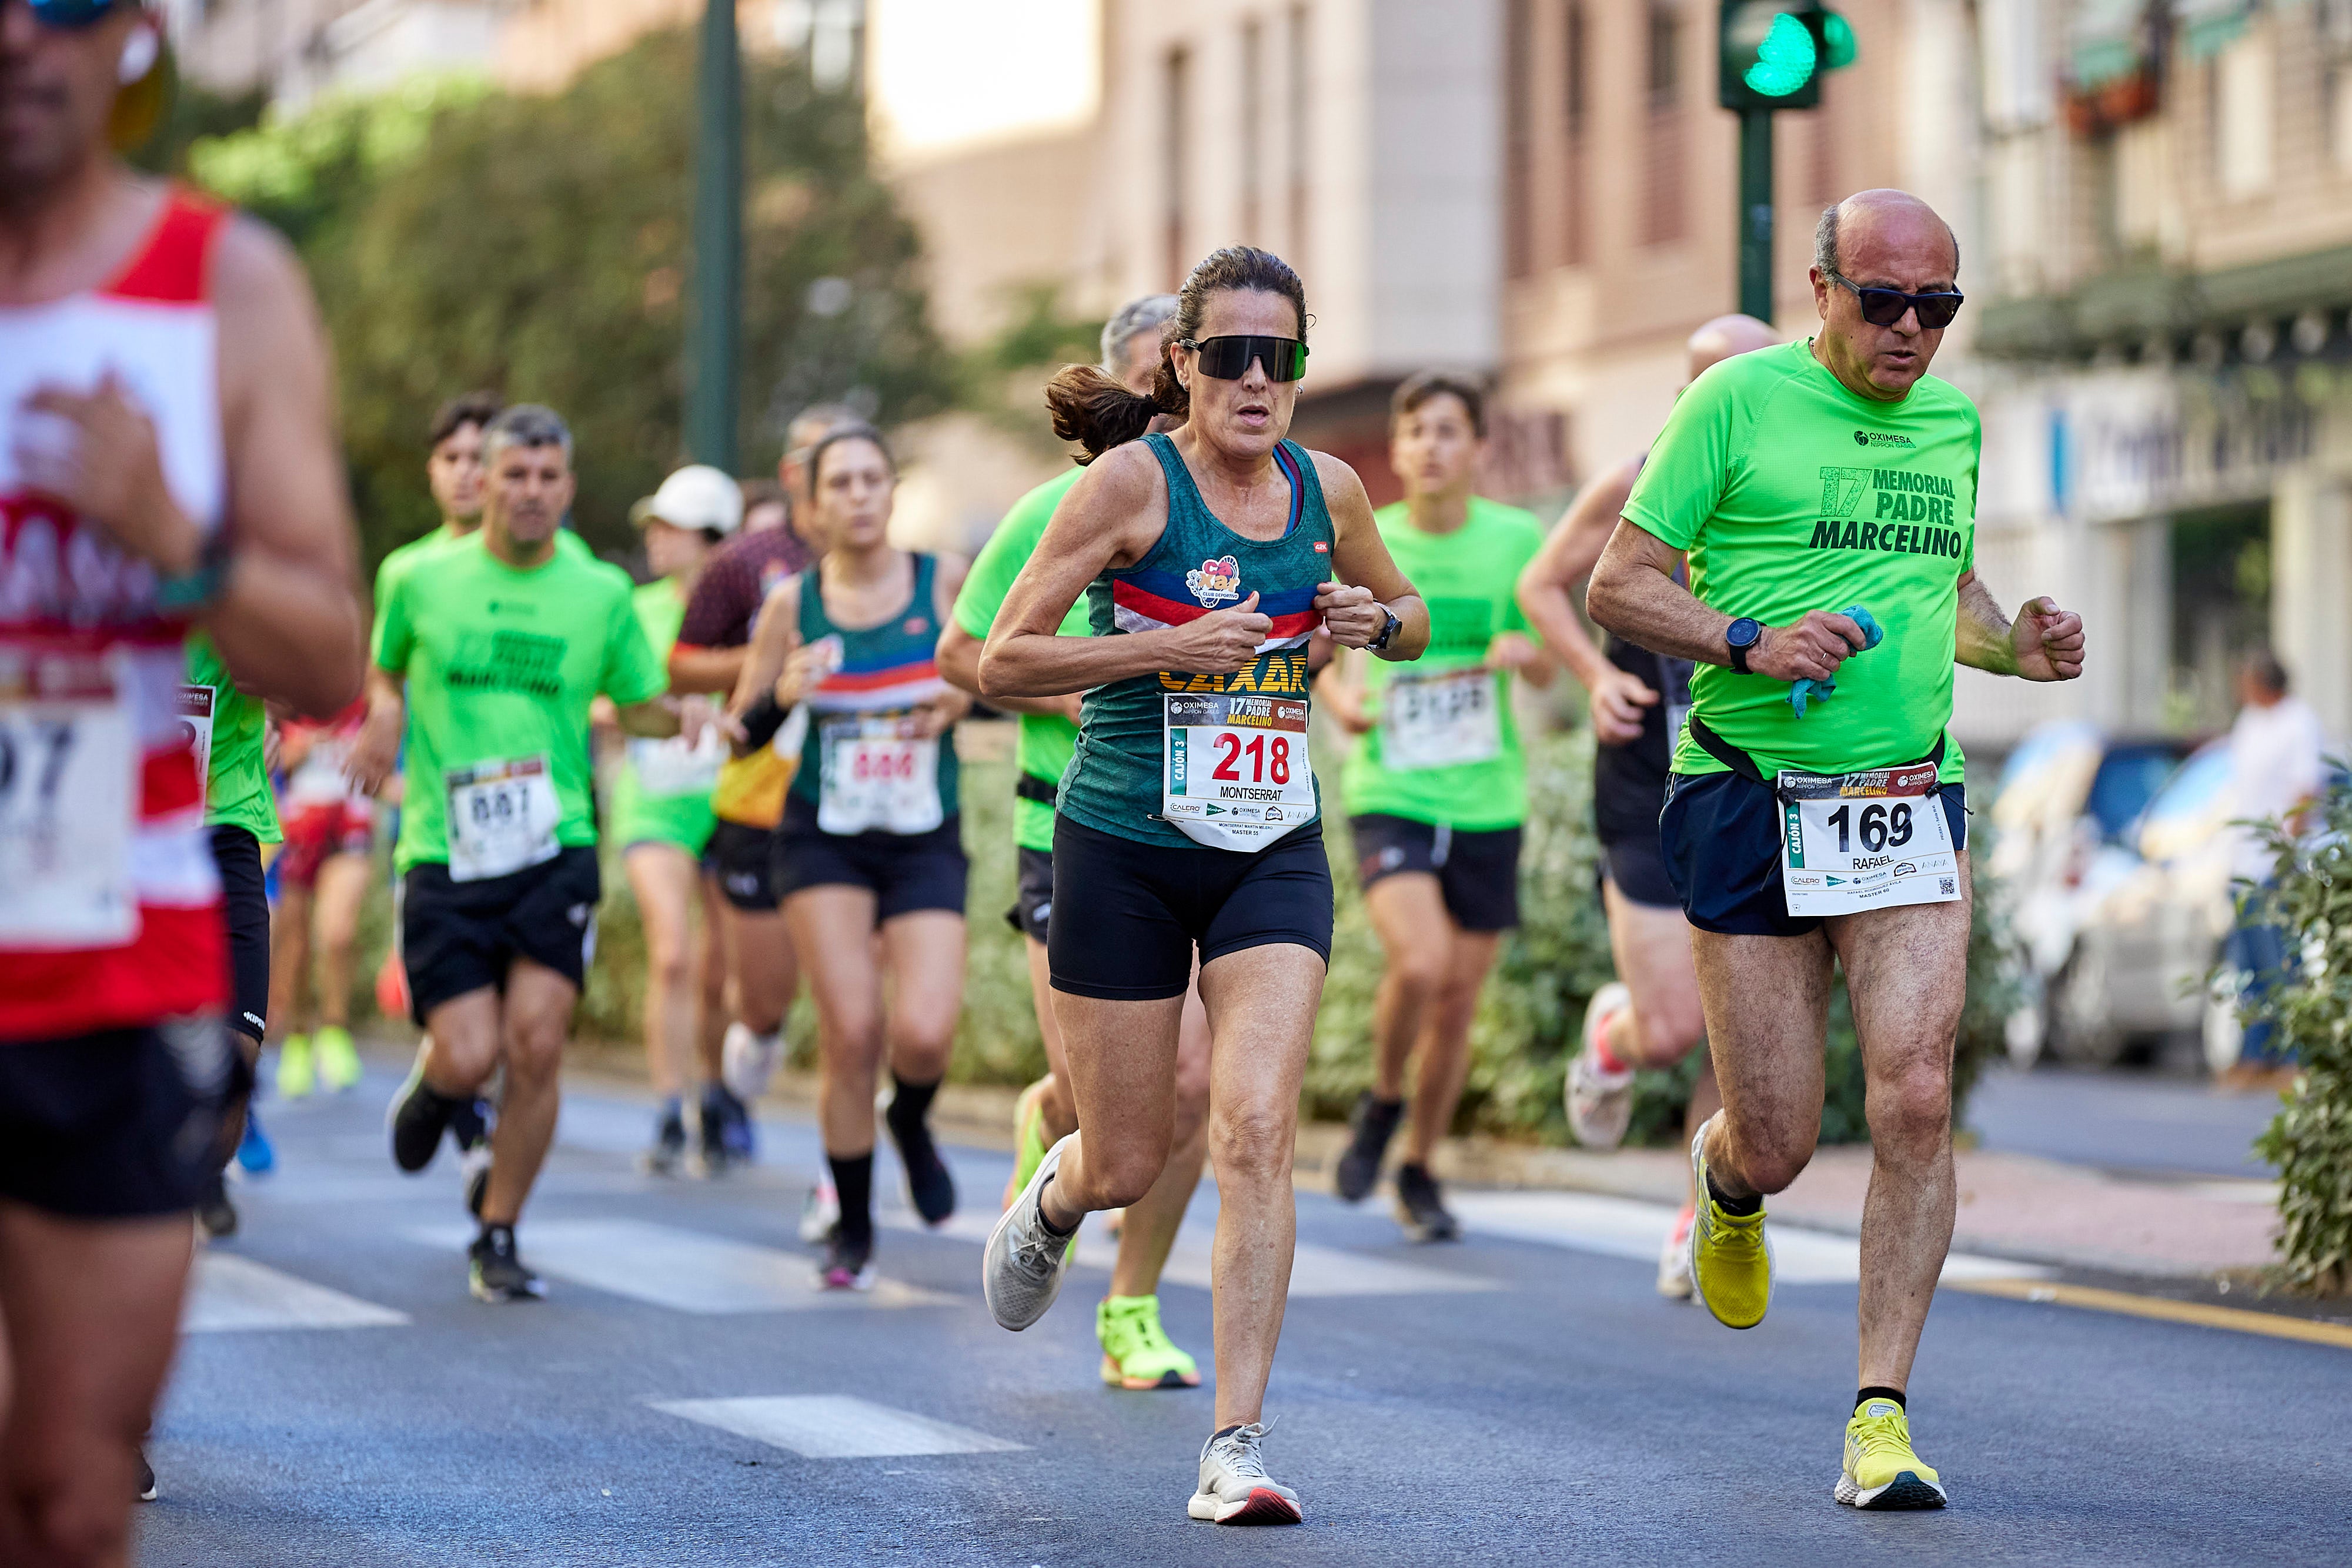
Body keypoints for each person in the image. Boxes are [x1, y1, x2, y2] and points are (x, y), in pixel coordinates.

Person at [1586, 190, 2086, 1512]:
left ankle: (1879, 1414)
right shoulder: (1733, 404)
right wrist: (1747, 643)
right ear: (1820, 291)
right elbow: (1617, 584)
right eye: (1883, 301)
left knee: (1914, 1093)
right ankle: (1725, 1176)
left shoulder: (1954, 421)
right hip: (1746, 791)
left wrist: (2011, 644)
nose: (1910, 331)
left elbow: (1946, 589)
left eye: (1938, 306)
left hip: (1901, 799)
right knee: (1783, 1134)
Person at [977, 246, 1429, 1525]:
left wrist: (1370, 621)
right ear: (1179, 366)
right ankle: (1053, 1199)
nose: (1251, 378)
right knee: (1125, 1152)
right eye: (1224, 354)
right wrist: (1165, 646)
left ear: (1298, 365)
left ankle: (1234, 1443)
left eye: (1275, 355)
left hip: (1269, 845)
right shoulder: (1129, 486)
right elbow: (1003, 662)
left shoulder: (1327, 485)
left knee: (1252, 1129)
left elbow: (1414, 614)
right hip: (1121, 841)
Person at [2, 1, 366, 1549]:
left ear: (133, 39)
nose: (23, 39)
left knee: (75, 1493)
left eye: (67, 3)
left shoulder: (219, 284)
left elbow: (325, 659)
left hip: (112, 949)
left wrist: (173, 537)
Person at [939, 293, 1215, 1390]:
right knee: (1105, 1102)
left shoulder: (1244, 510)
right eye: (1164, 376)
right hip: (1074, 825)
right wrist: (1088, 690)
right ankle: (1051, 1124)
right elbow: (970, 653)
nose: (1182, 398)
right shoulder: (1058, 509)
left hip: (1207, 825)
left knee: (1188, 1084)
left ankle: (1132, 1305)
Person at [377, 404, 701, 1303]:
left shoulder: (598, 591)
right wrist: (376, 715)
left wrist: (688, 717)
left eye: (549, 476)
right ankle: (440, 1087)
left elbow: (637, 701)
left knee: (539, 1042)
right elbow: (383, 669)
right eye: (514, 473)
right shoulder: (416, 577)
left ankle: (500, 1226)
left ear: (568, 483)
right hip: (445, 849)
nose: (531, 491)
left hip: (556, 844)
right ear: (483, 479)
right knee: (470, 1046)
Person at [1515, 312, 1780, 1298]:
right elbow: (1543, 582)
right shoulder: (1640, 480)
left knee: (1734, 1031)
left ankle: (1697, 1213)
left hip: (1744, 780)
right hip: (1644, 780)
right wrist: (1592, 675)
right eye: (1723, 384)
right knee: (1671, 1027)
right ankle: (1613, 1032)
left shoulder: (1799, 481)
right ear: (1687, 395)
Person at [731, 425, 972, 1290]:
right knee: (854, 1027)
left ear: (893, 489)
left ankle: (909, 1117)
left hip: (922, 834)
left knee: (925, 1027)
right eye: (843, 483)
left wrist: (963, 692)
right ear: (816, 503)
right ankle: (857, 1225)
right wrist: (778, 696)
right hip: (822, 835)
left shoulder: (941, 579)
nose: (861, 495)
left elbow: (1005, 666)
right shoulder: (795, 603)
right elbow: (738, 731)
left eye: (875, 478)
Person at [1321, 372, 1552, 1243]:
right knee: (1419, 964)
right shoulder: (1365, 529)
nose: (1430, 446)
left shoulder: (1517, 536)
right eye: (1415, 430)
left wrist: (1521, 653)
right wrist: (1341, 706)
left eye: (1449, 430)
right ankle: (1383, 1100)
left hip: (1488, 791)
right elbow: (1322, 643)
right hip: (1393, 785)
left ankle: (1418, 1162)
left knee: (1458, 999)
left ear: (1480, 448)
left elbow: (1545, 658)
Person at [670, 402, 858, 1182]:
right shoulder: (748, 561)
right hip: (760, 795)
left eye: (860, 472)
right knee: (758, 993)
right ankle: (724, 1085)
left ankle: (847, 1163)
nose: (845, 491)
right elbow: (681, 663)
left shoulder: (895, 568)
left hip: (855, 805)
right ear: (794, 477)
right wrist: (768, 664)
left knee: (856, 1000)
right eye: (826, 468)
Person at [612, 466, 739, 1171]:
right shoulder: (634, 607)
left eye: (670, 525)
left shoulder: (749, 609)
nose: (654, 537)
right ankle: (668, 1105)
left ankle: (715, 1095)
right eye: (651, 525)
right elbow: (600, 695)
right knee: (673, 953)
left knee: (722, 971)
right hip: (656, 798)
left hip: (727, 801)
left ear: (713, 540)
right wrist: (643, 714)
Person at [183, 632, 285, 1239]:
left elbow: (324, 676)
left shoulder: (229, 558)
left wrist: (277, 700)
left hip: (221, 830)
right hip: (106, 840)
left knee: (232, 1070)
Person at [2219, 648, 2326, 1088]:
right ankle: (2254, 1055)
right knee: (2247, 965)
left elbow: (2307, 790)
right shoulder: (2249, 722)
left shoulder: (2298, 722)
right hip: (2242, 862)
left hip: (2274, 864)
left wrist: (2287, 857)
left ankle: (2294, 1055)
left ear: (2264, 682)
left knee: (2281, 961)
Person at [269, 698, 375, 1100]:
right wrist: (311, 740)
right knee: (296, 945)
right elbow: (275, 758)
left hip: (349, 819)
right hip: (300, 823)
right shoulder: (289, 690)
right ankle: (299, 1038)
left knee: (339, 931)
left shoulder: (364, 686)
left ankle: (334, 1029)